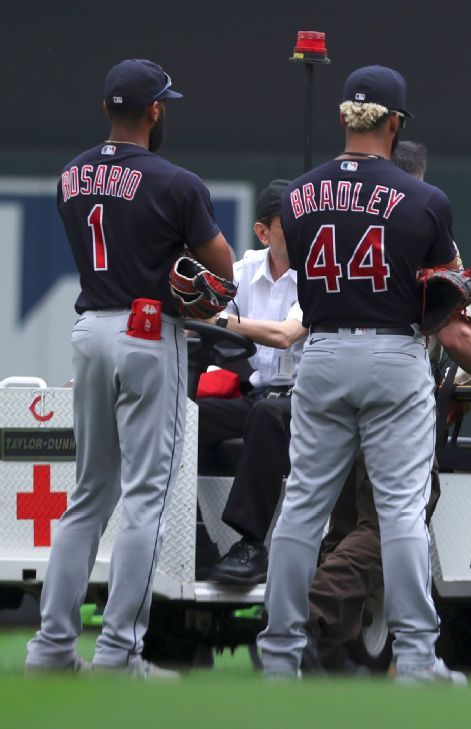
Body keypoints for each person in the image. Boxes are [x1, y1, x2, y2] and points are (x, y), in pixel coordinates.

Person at [255, 65, 471, 683]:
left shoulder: (298, 195)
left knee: (302, 507)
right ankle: (414, 658)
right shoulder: (426, 201)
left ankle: (278, 654)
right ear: (395, 122)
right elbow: (447, 317)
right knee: (402, 511)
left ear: (342, 118)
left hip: (323, 351)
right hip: (392, 353)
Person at [26, 59, 235, 677]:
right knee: (145, 497)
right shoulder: (177, 183)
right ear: (155, 111)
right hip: (149, 330)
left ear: (105, 110)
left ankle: (51, 648)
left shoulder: (70, 175)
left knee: (87, 495)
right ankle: (119, 651)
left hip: (90, 327)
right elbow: (220, 268)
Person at [303, 140, 434, 671]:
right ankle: (308, 615)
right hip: (391, 386)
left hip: (326, 374)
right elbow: (447, 319)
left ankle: (327, 649)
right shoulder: (419, 220)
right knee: (387, 524)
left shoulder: (325, 214)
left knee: (341, 525)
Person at [197, 178, 306, 584]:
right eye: (290, 222)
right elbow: (198, 315)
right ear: (262, 231)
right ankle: (195, 536)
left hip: (308, 404)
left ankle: (250, 544)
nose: (302, 230)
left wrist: (221, 320)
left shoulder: (319, 275)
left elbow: (286, 334)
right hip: (260, 397)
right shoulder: (241, 272)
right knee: (180, 416)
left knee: (266, 413)